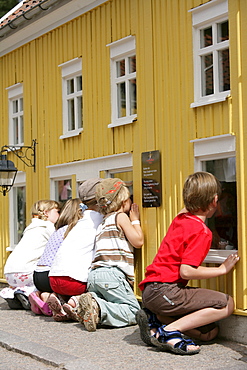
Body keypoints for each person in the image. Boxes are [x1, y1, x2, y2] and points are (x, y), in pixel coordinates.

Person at [136, 171, 239, 356]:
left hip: (150, 292)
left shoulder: (180, 219)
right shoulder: (202, 232)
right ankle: (168, 333)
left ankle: (156, 319)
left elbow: (187, 210)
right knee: (227, 304)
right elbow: (186, 272)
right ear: (215, 200)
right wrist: (222, 269)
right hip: (166, 291)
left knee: (208, 333)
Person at [77, 177, 144, 332]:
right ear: (123, 201)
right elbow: (138, 241)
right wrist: (135, 221)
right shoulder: (120, 217)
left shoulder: (103, 221)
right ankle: (99, 308)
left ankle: (92, 306)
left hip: (94, 275)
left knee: (111, 304)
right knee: (134, 311)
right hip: (111, 275)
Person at [46, 178, 103, 321]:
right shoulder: (100, 218)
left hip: (53, 279)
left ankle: (58, 298)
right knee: (98, 289)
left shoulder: (79, 221)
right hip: (74, 282)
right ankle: (75, 302)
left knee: (67, 283)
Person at [0, 200, 60, 310]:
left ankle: (14, 293)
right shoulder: (48, 227)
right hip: (26, 272)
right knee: (44, 278)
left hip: (9, 273)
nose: (59, 215)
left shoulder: (30, 228)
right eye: (57, 211)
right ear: (46, 213)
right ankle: (30, 294)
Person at [29, 198, 82, 316]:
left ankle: (43, 297)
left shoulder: (58, 230)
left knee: (50, 288)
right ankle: (57, 297)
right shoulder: (72, 230)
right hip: (50, 274)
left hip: (38, 274)